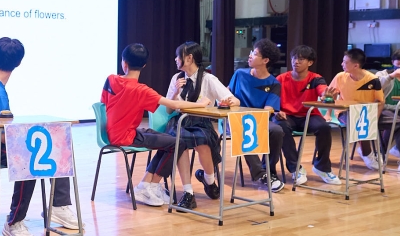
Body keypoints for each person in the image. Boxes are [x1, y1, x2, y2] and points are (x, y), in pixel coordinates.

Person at [0, 38, 81, 236]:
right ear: (19, 63)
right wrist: (27, 143)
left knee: (56, 148)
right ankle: (14, 221)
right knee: (30, 159)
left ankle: (58, 205)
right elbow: (0, 135)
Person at [101, 43, 213, 208]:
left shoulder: (110, 80)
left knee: (169, 140)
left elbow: (104, 103)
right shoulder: (142, 90)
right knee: (178, 143)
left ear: (124, 63)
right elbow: (174, 105)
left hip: (114, 133)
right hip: (127, 137)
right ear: (144, 66)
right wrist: (201, 104)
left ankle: (147, 184)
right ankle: (150, 186)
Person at [164, 42, 239, 210]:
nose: (175, 59)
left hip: (202, 121)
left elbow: (235, 100)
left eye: (178, 56)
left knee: (203, 142)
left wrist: (228, 102)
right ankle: (188, 192)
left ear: (189, 58)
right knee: (180, 142)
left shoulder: (208, 79)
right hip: (181, 120)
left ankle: (209, 180)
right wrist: (175, 92)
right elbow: (168, 110)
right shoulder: (176, 78)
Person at [323, 48, 400, 172]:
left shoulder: (372, 79)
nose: (342, 64)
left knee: (399, 122)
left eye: (345, 62)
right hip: (345, 111)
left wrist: (375, 118)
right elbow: (330, 96)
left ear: (356, 65)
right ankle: (368, 155)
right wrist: (328, 113)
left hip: (368, 111)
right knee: (361, 122)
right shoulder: (340, 76)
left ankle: (394, 155)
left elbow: (380, 101)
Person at [275, 45, 339, 185]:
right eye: (294, 58)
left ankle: (322, 167)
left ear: (310, 62)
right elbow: (273, 98)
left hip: (308, 115)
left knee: (324, 128)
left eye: (301, 59)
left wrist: (326, 96)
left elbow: (323, 91)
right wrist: (276, 111)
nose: (296, 62)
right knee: (281, 128)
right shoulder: (281, 78)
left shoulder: (316, 78)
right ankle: (295, 168)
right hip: (287, 115)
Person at [227, 39, 285, 192]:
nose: (250, 55)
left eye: (255, 53)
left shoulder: (274, 83)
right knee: (246, 128)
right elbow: (226, 94)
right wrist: (227, 100)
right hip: (235, 120)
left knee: (276, 130)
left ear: (265, 60)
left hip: (258, 120)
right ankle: (260, 175)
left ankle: (269, 170)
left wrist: (253, 116)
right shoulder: (239, 74)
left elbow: (268, 110)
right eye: (252, 52)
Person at [376, 49, 400, 177]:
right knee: (398, 122)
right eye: (398, 63)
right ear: (393, 62)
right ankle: (384, 153)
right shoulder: (382, 74)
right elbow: (376, 87)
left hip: (399, 109)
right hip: (381, 109)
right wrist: (391, 76)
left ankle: (399, 148)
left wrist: (396, 108)